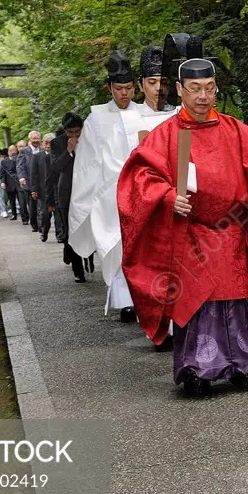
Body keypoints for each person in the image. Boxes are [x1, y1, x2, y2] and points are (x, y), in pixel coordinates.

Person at [118, 58, 248, 395]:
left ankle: (245, 362)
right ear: (179, 90)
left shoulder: (235, 130)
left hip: (231, 230)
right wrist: (167, 197)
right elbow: (139, 178)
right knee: (198, 302)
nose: (202, 96)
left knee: (237, 299)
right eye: (194, 89)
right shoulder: (165, 136)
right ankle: (197, 367)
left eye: (209, 88)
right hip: (191, 231)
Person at [70, 51, 175, 323]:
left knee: (141, 244)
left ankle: (142, 296)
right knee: (117, 241)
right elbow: (89, 162)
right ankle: (124, 298)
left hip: (141, 186)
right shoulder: (96, 118)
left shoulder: (144, 114)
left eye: (129, 88)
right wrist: (96, 191)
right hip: (111, 188)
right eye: (119, 89)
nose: (125, 94)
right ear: (109, 88)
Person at [49, 113, 87, 282]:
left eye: (76, 132)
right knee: (70, 230)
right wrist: (68, 151)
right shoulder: (57, 143)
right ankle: (78, 271)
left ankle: (85, 255)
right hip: (67, 192)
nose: (74, 136)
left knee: (87, 228)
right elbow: (55, 168)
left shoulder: (89, 137)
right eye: (70, 132)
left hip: (87, 191)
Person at [30, 132, 57, 242]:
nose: (48, 145)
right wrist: (34, 189)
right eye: (46, 143)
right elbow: (34, 174)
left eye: (50, 143)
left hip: (56, 189)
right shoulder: (37, 157)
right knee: (45, 214)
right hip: (43, 190)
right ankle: (44, 232)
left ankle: (60, 235)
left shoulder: (58, 155)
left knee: (58, 215)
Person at [17, 130, 42, 232]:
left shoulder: (43, 150)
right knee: (32, 206)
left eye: (37, 138)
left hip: (42, 182)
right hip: (29, 182)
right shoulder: (24, 151)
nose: (36, 140)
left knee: (41, 206)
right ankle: (35, 224)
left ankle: (42, 225)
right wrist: (22, 178)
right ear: (30, 140)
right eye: (34, 138)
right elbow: (20, 165)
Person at [0, 144, 21, 220]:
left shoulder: (19, 159)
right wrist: (3, 182)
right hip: (9, 183)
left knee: (21, 200)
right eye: (11, 151)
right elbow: (2, 174)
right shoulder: (4, 161)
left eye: (14, 151)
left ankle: (24, 214)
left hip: (18, 182)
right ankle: (14, 214)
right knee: (11, 200)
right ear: (8, 152)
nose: (12, 152)